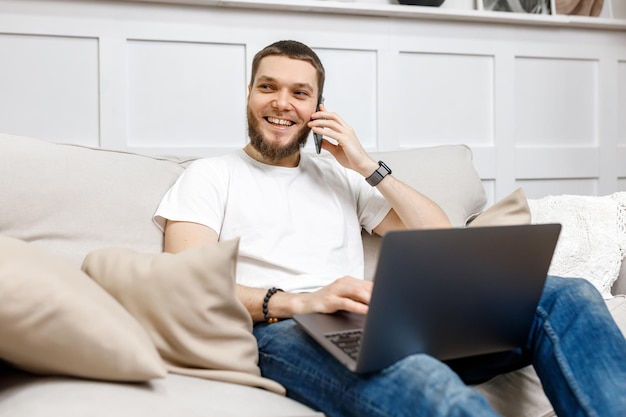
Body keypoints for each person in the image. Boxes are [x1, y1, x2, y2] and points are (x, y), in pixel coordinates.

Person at [154, 40, 626, 417]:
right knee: (427, 385)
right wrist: (297, 301)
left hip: (380, 323)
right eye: (267, 87)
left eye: (300, 93)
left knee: (568, 296)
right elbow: (186, 284)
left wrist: (364, 165)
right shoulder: (211, 175)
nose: (282, 103)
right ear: (250, 95)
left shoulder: (340, 177)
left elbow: (438, 236)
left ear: (319, 107)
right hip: (285, 330)